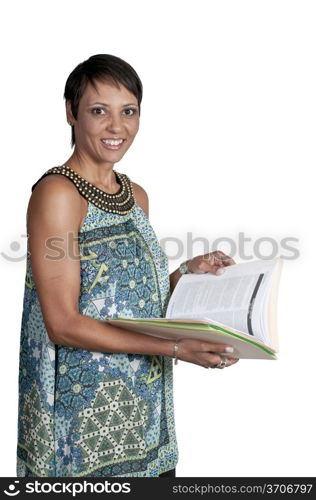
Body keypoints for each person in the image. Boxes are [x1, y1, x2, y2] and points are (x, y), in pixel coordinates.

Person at [16, 54, 239, 478]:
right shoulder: (58, 195)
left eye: (128, 112)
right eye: (99, 111)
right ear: (71, 112)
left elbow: (132, 304)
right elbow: (62, 322)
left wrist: (188, 273)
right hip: (81, 432)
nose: (116, 127)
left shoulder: (135, 196)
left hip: (147, 420)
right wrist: (176, 349)